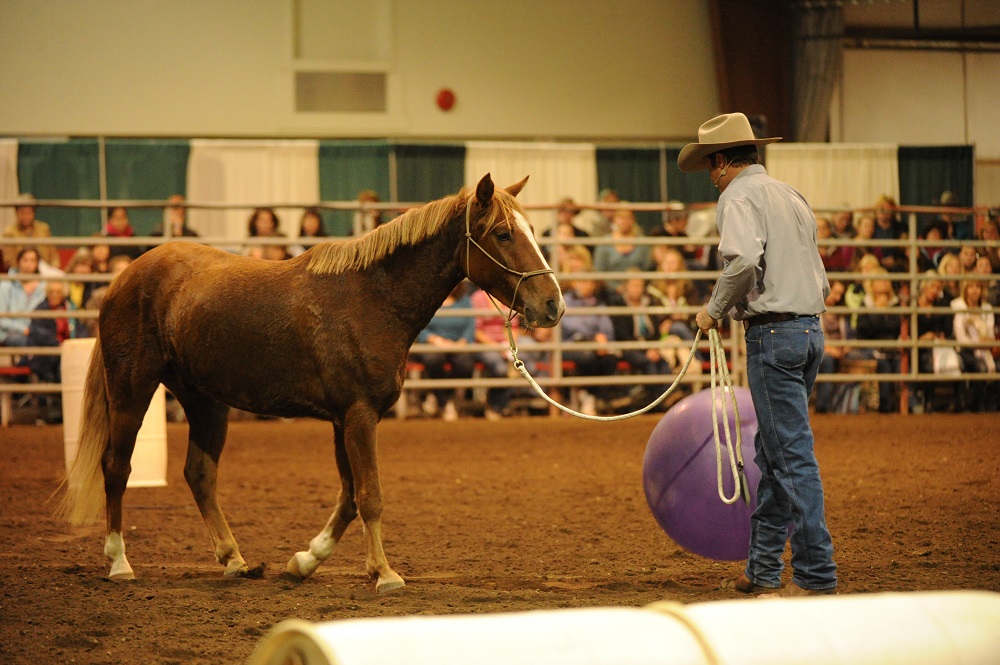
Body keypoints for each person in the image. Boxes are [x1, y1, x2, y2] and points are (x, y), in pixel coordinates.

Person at [681, 112, 837, 596]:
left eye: (712, 165)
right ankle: (764, 568)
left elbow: (744, 260)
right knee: (776, 454)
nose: (711, 176)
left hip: (774, 337)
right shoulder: (790, 194)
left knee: (790, 459)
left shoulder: (737, 197)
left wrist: (712, 310)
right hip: (809, 332)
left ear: (724, 161)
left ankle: (816, 576)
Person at [413, 282, 475, 421]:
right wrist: (433, 339)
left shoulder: (464, 299)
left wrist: (462, 342)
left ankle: (440, 397)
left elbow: (471, 324)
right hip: (433, 344)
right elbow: (419, 324)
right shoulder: (428, 298)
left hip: (458, 344)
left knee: (465, 364)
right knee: (433, 359)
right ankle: (446, 402)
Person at [854, 273, 902, 413]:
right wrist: (879, 313)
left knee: (900, 363)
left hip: (891, 347)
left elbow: (896, 326)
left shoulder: (895, 303)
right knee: (884, 364)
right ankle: (885, 405)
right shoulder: (866, 303)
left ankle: (905, 404)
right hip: (870, 346)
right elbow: (866, 330)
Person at [469, 286, 518, 420]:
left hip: (506, 343)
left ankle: (499, 404)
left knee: (523, 366)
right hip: (484, 344)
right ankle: (495, 404)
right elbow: (475, 331)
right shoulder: (477, 299)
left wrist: (510, 346)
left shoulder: (507, 295)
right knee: (500, 368)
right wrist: (497, 347)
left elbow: (513, 326)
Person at [951, 279, 998, 412]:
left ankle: (990, 405)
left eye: (978, 286)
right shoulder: (958, 307)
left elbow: (990, 333)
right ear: (965, 290)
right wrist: (979, 344)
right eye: (971, 286)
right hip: (965, 350)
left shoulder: (987, 308)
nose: (975, 290)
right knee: (981, 368)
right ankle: (976, 406)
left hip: (985, 350)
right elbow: (961, 337)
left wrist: (986, 343)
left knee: (992, 367)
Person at [592, 207, 653, 290]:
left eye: (628, 217)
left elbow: (647, 269)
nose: (624, 221)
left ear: (633, 219)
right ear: (614, 219)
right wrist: (616, 287)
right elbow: (599, 271)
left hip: (638, 290)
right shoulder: (604, 243)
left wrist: (635, 287)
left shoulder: (643, 243)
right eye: (621, 217)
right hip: (609, 292)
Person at [0, 248, 48, 347]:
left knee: (49, 341)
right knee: (29, 342)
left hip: (35, 332)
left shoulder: (44, 287)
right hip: (9, 333)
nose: (28, 264)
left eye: (32, 260)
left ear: (37, 264)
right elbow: (2, 318)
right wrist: (23, 329)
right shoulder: (6, 285)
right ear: (18, 262)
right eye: (25, 260)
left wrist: (33, 331)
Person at [2, 194, 61, 270]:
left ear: (33, 213)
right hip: (20, 273)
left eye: (28, 212)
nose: (25, 216)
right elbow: (10, 262)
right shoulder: (9, 233)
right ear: (16, 213)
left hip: (45, 272)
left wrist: (53, 270)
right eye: (22, 212)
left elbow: (53, 257)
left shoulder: (44, 229)